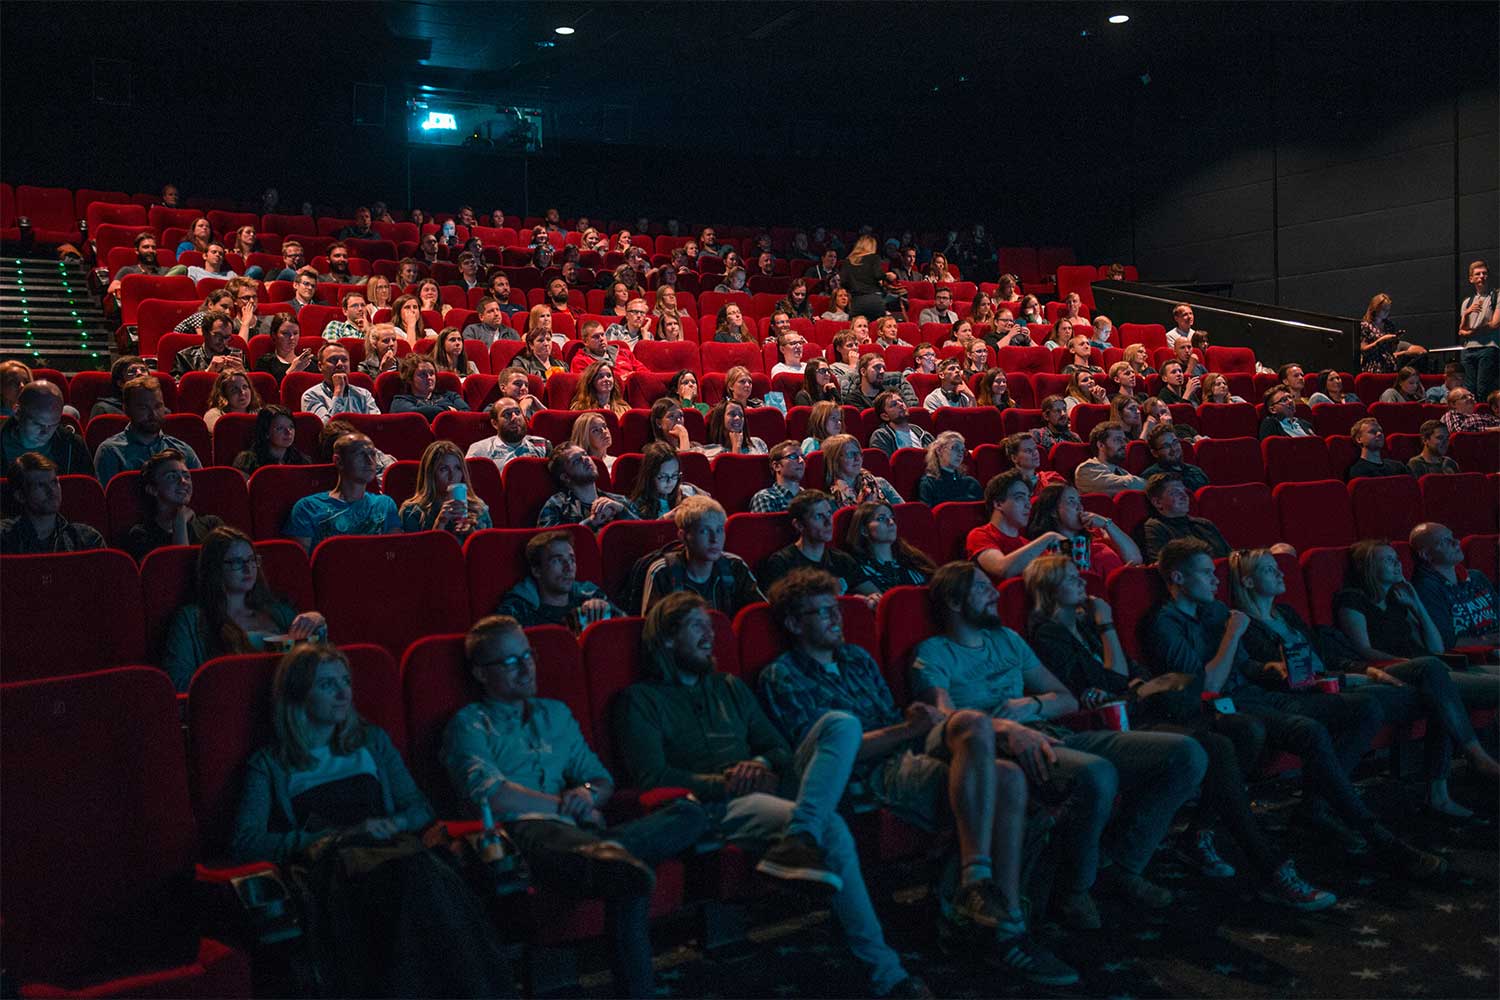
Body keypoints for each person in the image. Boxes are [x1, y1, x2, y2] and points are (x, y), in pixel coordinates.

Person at [757, 569, 1077, 984]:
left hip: (904, 749)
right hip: (868, 772)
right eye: (822, 613)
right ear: (795, 624)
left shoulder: (856, 659)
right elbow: (826, 755)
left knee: (980, 732)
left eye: (836, 610)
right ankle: (1004, 929)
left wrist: (913, 725)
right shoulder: (783, 675)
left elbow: (896, 722)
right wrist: (906, 729)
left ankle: (985, 893)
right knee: (1007, 780)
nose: (837, 620)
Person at [614, 593, 930, 1000]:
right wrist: (726, 782)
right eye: (697, 627)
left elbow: (780, 749)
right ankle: (888, 975)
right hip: (718, 804)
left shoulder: (729, 686)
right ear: (668, 639)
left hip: (771, 784)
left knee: (841, 723)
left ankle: (799, 838)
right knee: (830, 825)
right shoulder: (640, 700)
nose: (710, 635)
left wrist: (761, 763)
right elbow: (652, 776)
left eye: (710, 626)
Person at [1023, 555, 1336, 910]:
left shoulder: (1085, 623)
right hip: (1118, 722)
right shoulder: (1049, 633)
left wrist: (1129, 674)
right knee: (1216, 747)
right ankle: (1269, 866)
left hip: (1146, 708)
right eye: (1069, 578)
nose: (1082, 581)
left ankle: (1198, 835)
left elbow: (1128, 670)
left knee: (1240, 732)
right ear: (1048, 589)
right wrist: (1109, 629)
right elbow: (1109, 679)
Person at [912, 561, 1208, 920]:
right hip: (1000, 748)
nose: (995, 594)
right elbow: (944, 722)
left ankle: (1120, 865)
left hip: (1053, 731)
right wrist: (1006, 728)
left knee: (1187, 753)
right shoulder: (933, 653)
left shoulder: (1008, 639)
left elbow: (1065, 698)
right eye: (981, 588)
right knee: (1098, 774)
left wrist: (1030, 704)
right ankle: (1075, 890)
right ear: (955, 603)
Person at [1145, 539, 1446, 878]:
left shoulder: (1214, 611)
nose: (1216, 581)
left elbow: (1244, 668)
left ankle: (1315, 808)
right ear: (1178, 578)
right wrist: (1232, 635)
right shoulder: (1165, 624)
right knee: (1310, 730)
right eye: (1205, 573)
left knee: (1365, 707)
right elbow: (1208, 686)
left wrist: (1272, 669)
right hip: (1222, 708)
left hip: (1256, 694)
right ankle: (1377, 836)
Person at [234, 644, 516, 998]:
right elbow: (246, 841)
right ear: (298, 695)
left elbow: (418, 808)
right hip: (337, 867)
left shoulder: (371, 741)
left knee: (422, 876)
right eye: (327, 685)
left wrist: (394, 823)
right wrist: (322, 838)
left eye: (345, 681)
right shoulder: (271, 763)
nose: (343, 693)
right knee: (418, 881)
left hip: (395, 852)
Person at [1234, 544, 1497, 822]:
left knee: (1436, 683)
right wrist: (1359, 676)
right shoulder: (1245, 626)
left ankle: (1450, 783)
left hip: (1351, 678)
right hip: (1327, 691)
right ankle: (1455, 776)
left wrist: (1367, 672)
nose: (1280, 574)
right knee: (1435, 687)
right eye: (1268, 570)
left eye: (1278, 568)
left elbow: (1328, 657)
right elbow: (1291, 676)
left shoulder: (1286, 614)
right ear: (1248, 581)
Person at [159, 527, 326, 690]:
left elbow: (318, 663)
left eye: (252, 560)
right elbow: (178, 681)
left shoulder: (278, 611)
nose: (248, 569)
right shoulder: (191, 619)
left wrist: (317, 623)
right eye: (237, 562)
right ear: (215, 567)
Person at [638, 496, 763, 615]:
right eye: (704, 531)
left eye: (719, 530)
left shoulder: (735, 566)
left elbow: (759, 615)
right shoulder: (663, 572)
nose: (714, 539)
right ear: (683, 536)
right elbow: (653, 631)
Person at [285, 433, 400, 551]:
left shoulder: (385, 504)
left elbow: (394, 556)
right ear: (339, 461)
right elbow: (301, 564)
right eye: (360, 454)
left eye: (372, 454)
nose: (370, 461)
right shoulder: (307, 508)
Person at [755, 490, 877, 600]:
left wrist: (870, 599)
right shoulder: (782, 562)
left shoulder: (842, 560)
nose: (828, 522)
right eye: (819, 516)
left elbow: (874, 594)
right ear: (799, 525)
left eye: (829, 514)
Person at [494, 532, 621, 630]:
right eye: (557, 560)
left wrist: (606, 611)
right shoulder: (517, 610)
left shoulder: (590, 595)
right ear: (537, 571)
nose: (568, 567)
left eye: (572, 559)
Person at [1410, 522, 1499, 652]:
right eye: (1444, 541)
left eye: (1452, 537)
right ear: (1426, 555)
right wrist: (1490, 640)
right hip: (1470, 659)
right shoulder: (1425, 589)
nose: (1456, 542)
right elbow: (1445, 641)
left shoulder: (1476, 577)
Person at [94, 376, 202, 484]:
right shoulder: (110, 451)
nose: (153, 414)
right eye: (143, 408)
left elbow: (200, 493)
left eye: (158, 406)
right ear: (126, 409)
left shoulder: (183, 450)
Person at [967, 470, 1068, 580]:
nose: (1028, 505)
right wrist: (1049, 537)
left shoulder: (1027, 544)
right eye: (1020, 497)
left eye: (1028, 498)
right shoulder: (980, 535)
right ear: (998, 504)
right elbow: (1002, 569)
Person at [122, 450, 223, 560]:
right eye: (172, 477)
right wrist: (180, 522)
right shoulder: (141, 535)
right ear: (153, 489)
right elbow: (178, 570)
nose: (183, 481)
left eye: (187, 476)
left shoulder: (211, 525)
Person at [1027, 482, 1141, 578]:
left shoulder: (1097, 533)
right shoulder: (1047, 548)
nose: (1079, 507)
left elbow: (1135, 559)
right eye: (1071, 501)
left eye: (1079, 501)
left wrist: (1107, 524)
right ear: (1053, 511)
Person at [1, 452, 105, 553]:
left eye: (54, 482)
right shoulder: (4, 538)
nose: (52, 491)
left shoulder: (87, 540)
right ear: (20, 496)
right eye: (41, 485)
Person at [398, 440, 492, 535]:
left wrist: (472, 533)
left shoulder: (478, 508)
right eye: (444, 469)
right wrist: (440, 523)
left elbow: (489, 548)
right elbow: (419, 549)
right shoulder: (413, 511)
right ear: (431, 474)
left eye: (457, 468)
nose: (452, 475)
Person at [0, 380, 92, 475]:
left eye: (53, 424)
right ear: (17, 412)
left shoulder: (72, 445)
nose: (45, 432)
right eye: (38, 424)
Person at [537, 444, 633, 531]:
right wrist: (591, 522)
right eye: (576, 460)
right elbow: (549, 544)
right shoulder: (557, 505)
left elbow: (645, 531)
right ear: (566, 477)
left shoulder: (619, 501)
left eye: (585, 454)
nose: (585, 459)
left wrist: (622, 510)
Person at [845, 501, 935, 592]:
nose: (891, 522)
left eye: (892, 518)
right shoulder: (858, 569)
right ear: (864, 530)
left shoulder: (912, 558)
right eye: (881, 519)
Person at [465, 396, 550, 473]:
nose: (514, 417)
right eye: (507, 414)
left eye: (517, 412)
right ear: (495, 423)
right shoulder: (479, 450)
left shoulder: (542, 444)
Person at [626, 441, 706, 520]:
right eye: (663, 476)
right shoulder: (639, 505)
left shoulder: (686, 493)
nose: (670, 481)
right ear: (650, 476)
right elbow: (642, 531)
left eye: (674, 475)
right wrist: (663, 520)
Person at [300, 343, 380, 417]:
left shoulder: (364, 394)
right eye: (333, 360)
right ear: (320, 366)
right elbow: (325, 428)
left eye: (344, 360)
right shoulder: (311, 396)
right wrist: (338, 391)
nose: (340, 364)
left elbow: (375, 424)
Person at [822, 433, 902, 507]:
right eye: (850, 454)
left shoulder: (880, 483)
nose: (857, 459)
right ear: (835, 460)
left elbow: (903, 514)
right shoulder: (829, 498)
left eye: (858, 453)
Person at [1458, 259, 1499, 398]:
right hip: (1468, 350)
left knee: (1484, 389)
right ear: (1471, 279)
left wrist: (1470, 332)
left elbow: (1494, 324)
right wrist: (1467, 313)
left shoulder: (1497, 296)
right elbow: (1461, 331)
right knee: (1469, 390)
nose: (1481, 276)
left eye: (1484, 273)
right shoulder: (1467, 302)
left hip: (1488, 348)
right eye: (1477, 274)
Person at [1073, 421, 1145, 496]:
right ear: (1101, 445)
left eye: (1124, 440)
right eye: (1118, 440)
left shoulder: (1121, 471)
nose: (1124, 444)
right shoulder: (1086, 469)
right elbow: (1128, 485)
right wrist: (1153, 486)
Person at [1359, 292, 1425, 373]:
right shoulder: (1365, 326)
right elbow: (1363, 350)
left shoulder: (1389, 325)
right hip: (1374, 366)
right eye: (1384, 309)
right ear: (1375, 308)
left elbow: (1392, 349)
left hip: (1390, 365)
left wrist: (1394, 340)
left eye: (1388, 309)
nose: (1386, 312)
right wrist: (1380, 341)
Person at [232, 405, 308, 474]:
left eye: (291, 427)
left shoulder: (302, 461)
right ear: (266, 432)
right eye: (280, 428)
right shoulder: (247, 462)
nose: (288, 432)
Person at [390, 354, 466, 418]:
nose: (429, 377)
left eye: (432, 373)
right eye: (422, 374)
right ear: (410, 379)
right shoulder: (400, 401)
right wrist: (447, 410)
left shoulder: (451, 396)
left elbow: (466, 413)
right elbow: (414, 414)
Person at [172, 310, 244, 377]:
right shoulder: (185, 357)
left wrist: (244, 374)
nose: (223, 341)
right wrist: (207, 373)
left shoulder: (237, 356)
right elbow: (177, 387)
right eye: (218, 335)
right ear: (205, 332)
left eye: (227, 337)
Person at [917, 431, 982, 505]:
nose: (960, 454)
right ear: (939, 450)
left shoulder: (971, 484)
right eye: (955, 448)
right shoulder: (929, 484)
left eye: (962, 450)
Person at [1139, 424, 1208, 491]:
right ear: (1155, 453)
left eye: (1175, 442)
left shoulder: (1197, 472)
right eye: (1166, 446)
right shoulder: (1152, 477)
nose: (1173, 449)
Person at [867, 391, 934, 457]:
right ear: (885, 416)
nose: (901, 404)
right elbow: (883, 464)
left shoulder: (922, 433)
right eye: (893, 404)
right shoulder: (881, 436)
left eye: (901, 401)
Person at [1345, 417, 1411, 479]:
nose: (1379, 434)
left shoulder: (1398, 466)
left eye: (1381, 431)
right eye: (1372, 432)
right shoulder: (1358, 470)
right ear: (1359, 439)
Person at [255, 316, 314, 382]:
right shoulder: (265, 363)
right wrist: (292, 370)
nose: (292, 338)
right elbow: (269, 391)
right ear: (274, 335)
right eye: (285, 333)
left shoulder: (308, 362)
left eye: (295, 333)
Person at [702, 401, 767, 458]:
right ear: (720, 419)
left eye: (741, 415)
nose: (738, 418)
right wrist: (736, 448)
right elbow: (736, 471)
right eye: (732, 414)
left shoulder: (758, 443)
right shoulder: (710, 452)